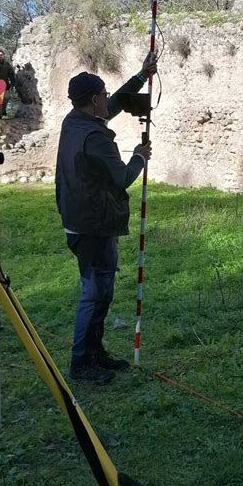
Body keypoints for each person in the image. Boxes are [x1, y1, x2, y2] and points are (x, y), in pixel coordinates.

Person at [56, 54, 157, 385]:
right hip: (93, 224)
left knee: (99, 290)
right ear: (93, 100)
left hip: (80, 219)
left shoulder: (75, 121)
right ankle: (82, 362)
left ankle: (94, 353)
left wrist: (142, 76)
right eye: (103, 94)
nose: (106, 98)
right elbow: (122, 178)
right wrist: (139, 158)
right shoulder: (96, 137)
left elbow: (115, 104)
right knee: (95, 291)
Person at [0, 48, 16, 117]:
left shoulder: (6, 65)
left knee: (6, 98)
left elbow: (11, 74)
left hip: (4, 86)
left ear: (3, 55)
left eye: (0, 55)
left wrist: (13, 83)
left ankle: (2, 112)